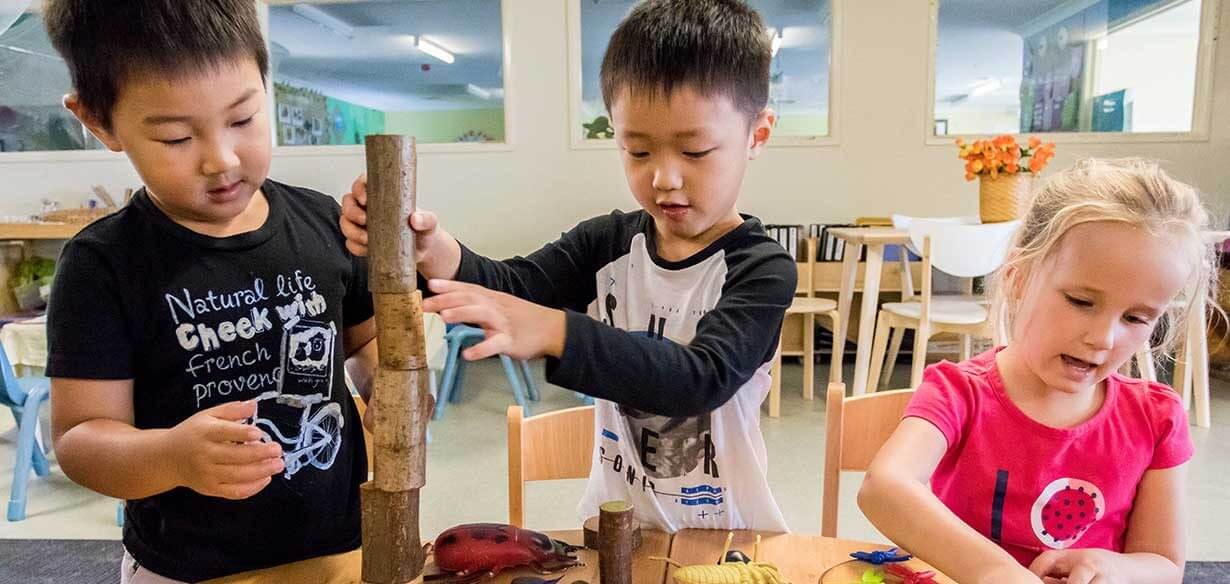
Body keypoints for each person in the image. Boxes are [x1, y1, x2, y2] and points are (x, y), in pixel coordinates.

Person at [341, 0, 793, 532]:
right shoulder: (607, 243)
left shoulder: (762, 268)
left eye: (694, 153)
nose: (664, 178)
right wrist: (433, 252)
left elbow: (700, 377)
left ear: (756, 135)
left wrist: (558, 330)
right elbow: (515, 285)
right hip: (611, 526)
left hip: (725, 534)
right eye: (638, 151)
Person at [43, 1, 378, 581]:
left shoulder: (323, 224)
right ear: (98, 121)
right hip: (189, 567)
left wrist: (394, 388)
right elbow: (79, 438)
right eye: (175, 137)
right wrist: (171, 456)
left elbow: (366, 341)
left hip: (339, 548)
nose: (221, 159)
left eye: (244, 119)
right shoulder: (103, 265)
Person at [859, 158, 1215, 584]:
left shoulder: (1156, 417)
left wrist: (1114, 567)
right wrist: (997, 573)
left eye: (1136, 318)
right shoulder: (957, 393)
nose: (1103, 338)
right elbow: (884, 488)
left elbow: (1164, 564)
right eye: (1081, 301)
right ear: (1019, 278)